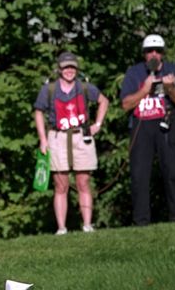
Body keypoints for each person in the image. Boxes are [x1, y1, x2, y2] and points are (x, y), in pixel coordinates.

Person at [33, 52, 109, 234]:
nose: (69, 71)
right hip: (57, 137)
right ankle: (61, 228)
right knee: (61, 185)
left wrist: (97, 125)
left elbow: (103, 101)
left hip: (81, 137)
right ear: (59, 69)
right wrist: (43, 139)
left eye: (72, 67)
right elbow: (38, 112)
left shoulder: (84, 87)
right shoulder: (49, 89)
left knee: (84, 182)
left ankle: (87, 225)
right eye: (66, 67)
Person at [120, 34, 175, 226]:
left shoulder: (172, 70)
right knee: (140, 174)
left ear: (163, 53)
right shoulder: (134, 73)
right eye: (150, 51)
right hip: (141, 126)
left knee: (173, 171)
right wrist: (144, 90)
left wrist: (169, 88)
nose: (154, 54)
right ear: (144, 54)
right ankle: (141, 221)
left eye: (158, 51)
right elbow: (125, 104)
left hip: (167, 122)